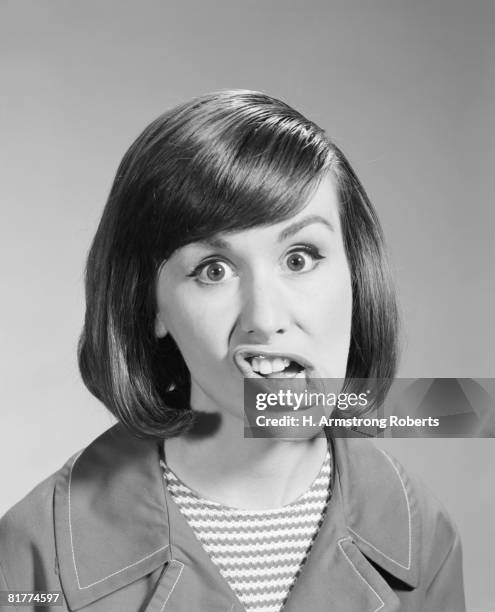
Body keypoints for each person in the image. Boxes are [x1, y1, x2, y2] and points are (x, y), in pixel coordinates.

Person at [0, 90, 465, 611]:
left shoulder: (423, 533)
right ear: (150, 306)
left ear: (356, 272)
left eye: (300, 258)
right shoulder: (35, 552)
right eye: (213, 271)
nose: (265, 319)